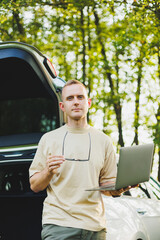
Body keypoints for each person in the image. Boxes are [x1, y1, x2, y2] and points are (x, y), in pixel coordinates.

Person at [29, 80, 130, 240]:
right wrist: (48, 171)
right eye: (70, 98)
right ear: (63, 106)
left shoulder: (103, 141)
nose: (76, 102)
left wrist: (120, 189)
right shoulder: (49, 139)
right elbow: (34, 185)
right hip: (59, 226)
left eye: (80, 97)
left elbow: (106, 187)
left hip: (95, 228)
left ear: (88, 102)